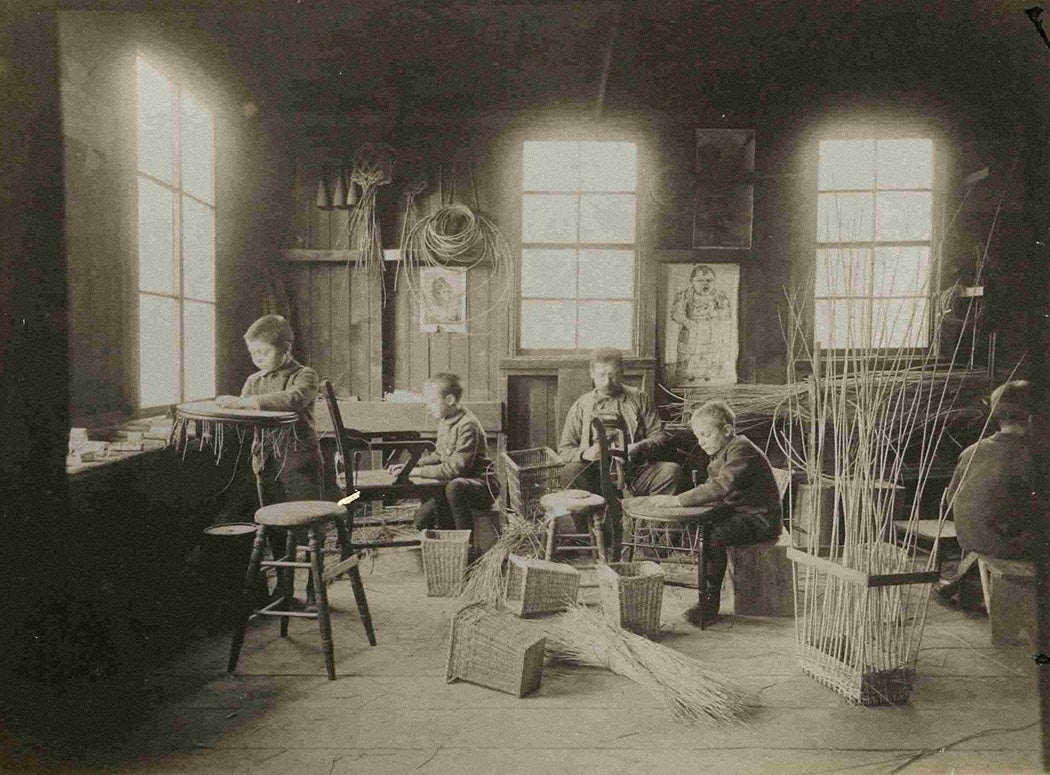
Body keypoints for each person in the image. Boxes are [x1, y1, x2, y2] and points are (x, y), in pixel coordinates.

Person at [647, 400, 782, 626]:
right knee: (706, 527)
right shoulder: (724, 451)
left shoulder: (741, 449)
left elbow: (721, 487)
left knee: (714, 535)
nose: (701, 442)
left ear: (727, 430)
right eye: (698, 437)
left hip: (761, 519)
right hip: (744, 513)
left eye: (706, 435)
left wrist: (678, 500)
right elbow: (716, 488)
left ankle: (708, 605)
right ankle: (706, 591)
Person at [214, 314, 323, 568]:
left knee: (307, 524)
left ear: (286, 348)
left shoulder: (304, 375)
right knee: (273, 523)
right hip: (264, 461)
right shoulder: (253, 381)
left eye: (263, 351)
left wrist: (246, 403)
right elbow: (241, 416)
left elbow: (294, 399)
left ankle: (312, 586)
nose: (257, 358)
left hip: (299, 461)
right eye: (253, 352)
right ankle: (284, 584)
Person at [558, 350, 682, 543]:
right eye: (601, 375)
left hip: (635, 470)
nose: (607, 382)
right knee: (570, 472)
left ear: (622, 373)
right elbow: (564, 449)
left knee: (670, 471)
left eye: (613, 375)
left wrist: (639, 447)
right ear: (591, 374)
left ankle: (648, 539)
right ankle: (592, 537)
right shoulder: (581, 406)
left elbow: (660, 436)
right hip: (595, 475)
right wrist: (586, 454)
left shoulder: (640, 399)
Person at [940, 381, 1039, 602]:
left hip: (968, 537)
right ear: (1033, 419)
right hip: (1002, 544)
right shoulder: (1031, 456)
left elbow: (950, 499)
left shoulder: (971, 451)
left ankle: (969, 578)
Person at [403, 373, 497, 545]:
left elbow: (455, 469)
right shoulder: (445, 421)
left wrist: (420, 472)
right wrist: (411, 466)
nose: (427, 407)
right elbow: (440, 455)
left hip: (482, 486)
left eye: (432, 401)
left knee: (454, 486)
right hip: (458, 485)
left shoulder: (468, 425)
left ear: (450, 400)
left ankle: (465, 546)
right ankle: (445, 546)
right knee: (421, 520)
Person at [669, 264, 732, 384]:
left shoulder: (718, 295)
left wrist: (716, 314)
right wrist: (687, 322)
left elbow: (727, 312)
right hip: (691, 330)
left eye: (709, 280)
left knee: (709, 355)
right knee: (690, 354)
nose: (705, 284)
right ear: (692, 282)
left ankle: (708, 375)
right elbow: (676, 313)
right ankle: (689, 376)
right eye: (700, 280)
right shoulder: (685, 295)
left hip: (710, 330)